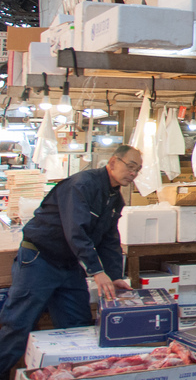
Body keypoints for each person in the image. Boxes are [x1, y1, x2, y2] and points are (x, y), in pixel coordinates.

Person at [0, 145, 142, 376]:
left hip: (69, 264)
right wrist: (96, 271)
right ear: (114, 162)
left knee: (79, 327)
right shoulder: (82, 184)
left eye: (138, 170)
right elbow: (75, 231)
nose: (134, 173)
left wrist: (114, 275)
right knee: (18, 325)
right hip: (39, 260)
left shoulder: (115, 198)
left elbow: (108, 239)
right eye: (131, 166)